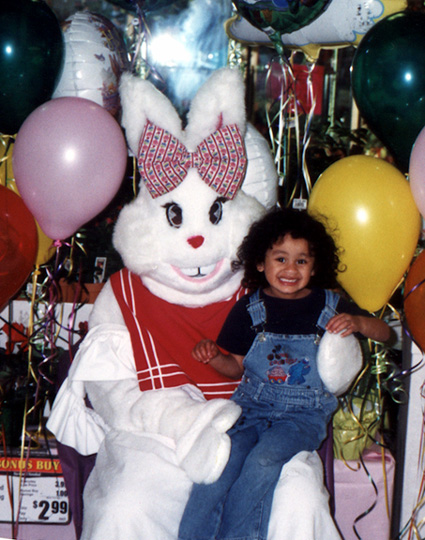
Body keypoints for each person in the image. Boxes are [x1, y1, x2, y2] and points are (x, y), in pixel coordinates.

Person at [178, 207, 391, 540]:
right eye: (281, 259)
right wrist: (213, 357)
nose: (291, 269)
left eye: (301, 261)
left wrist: (360, 323)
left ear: (314, 265)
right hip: (251, 409)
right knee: (220, 466)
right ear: (261, 263)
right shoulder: (249, 308)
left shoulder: (330, 304)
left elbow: (386, 333)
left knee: (262, 463)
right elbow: (234, 367)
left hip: (302, 416)